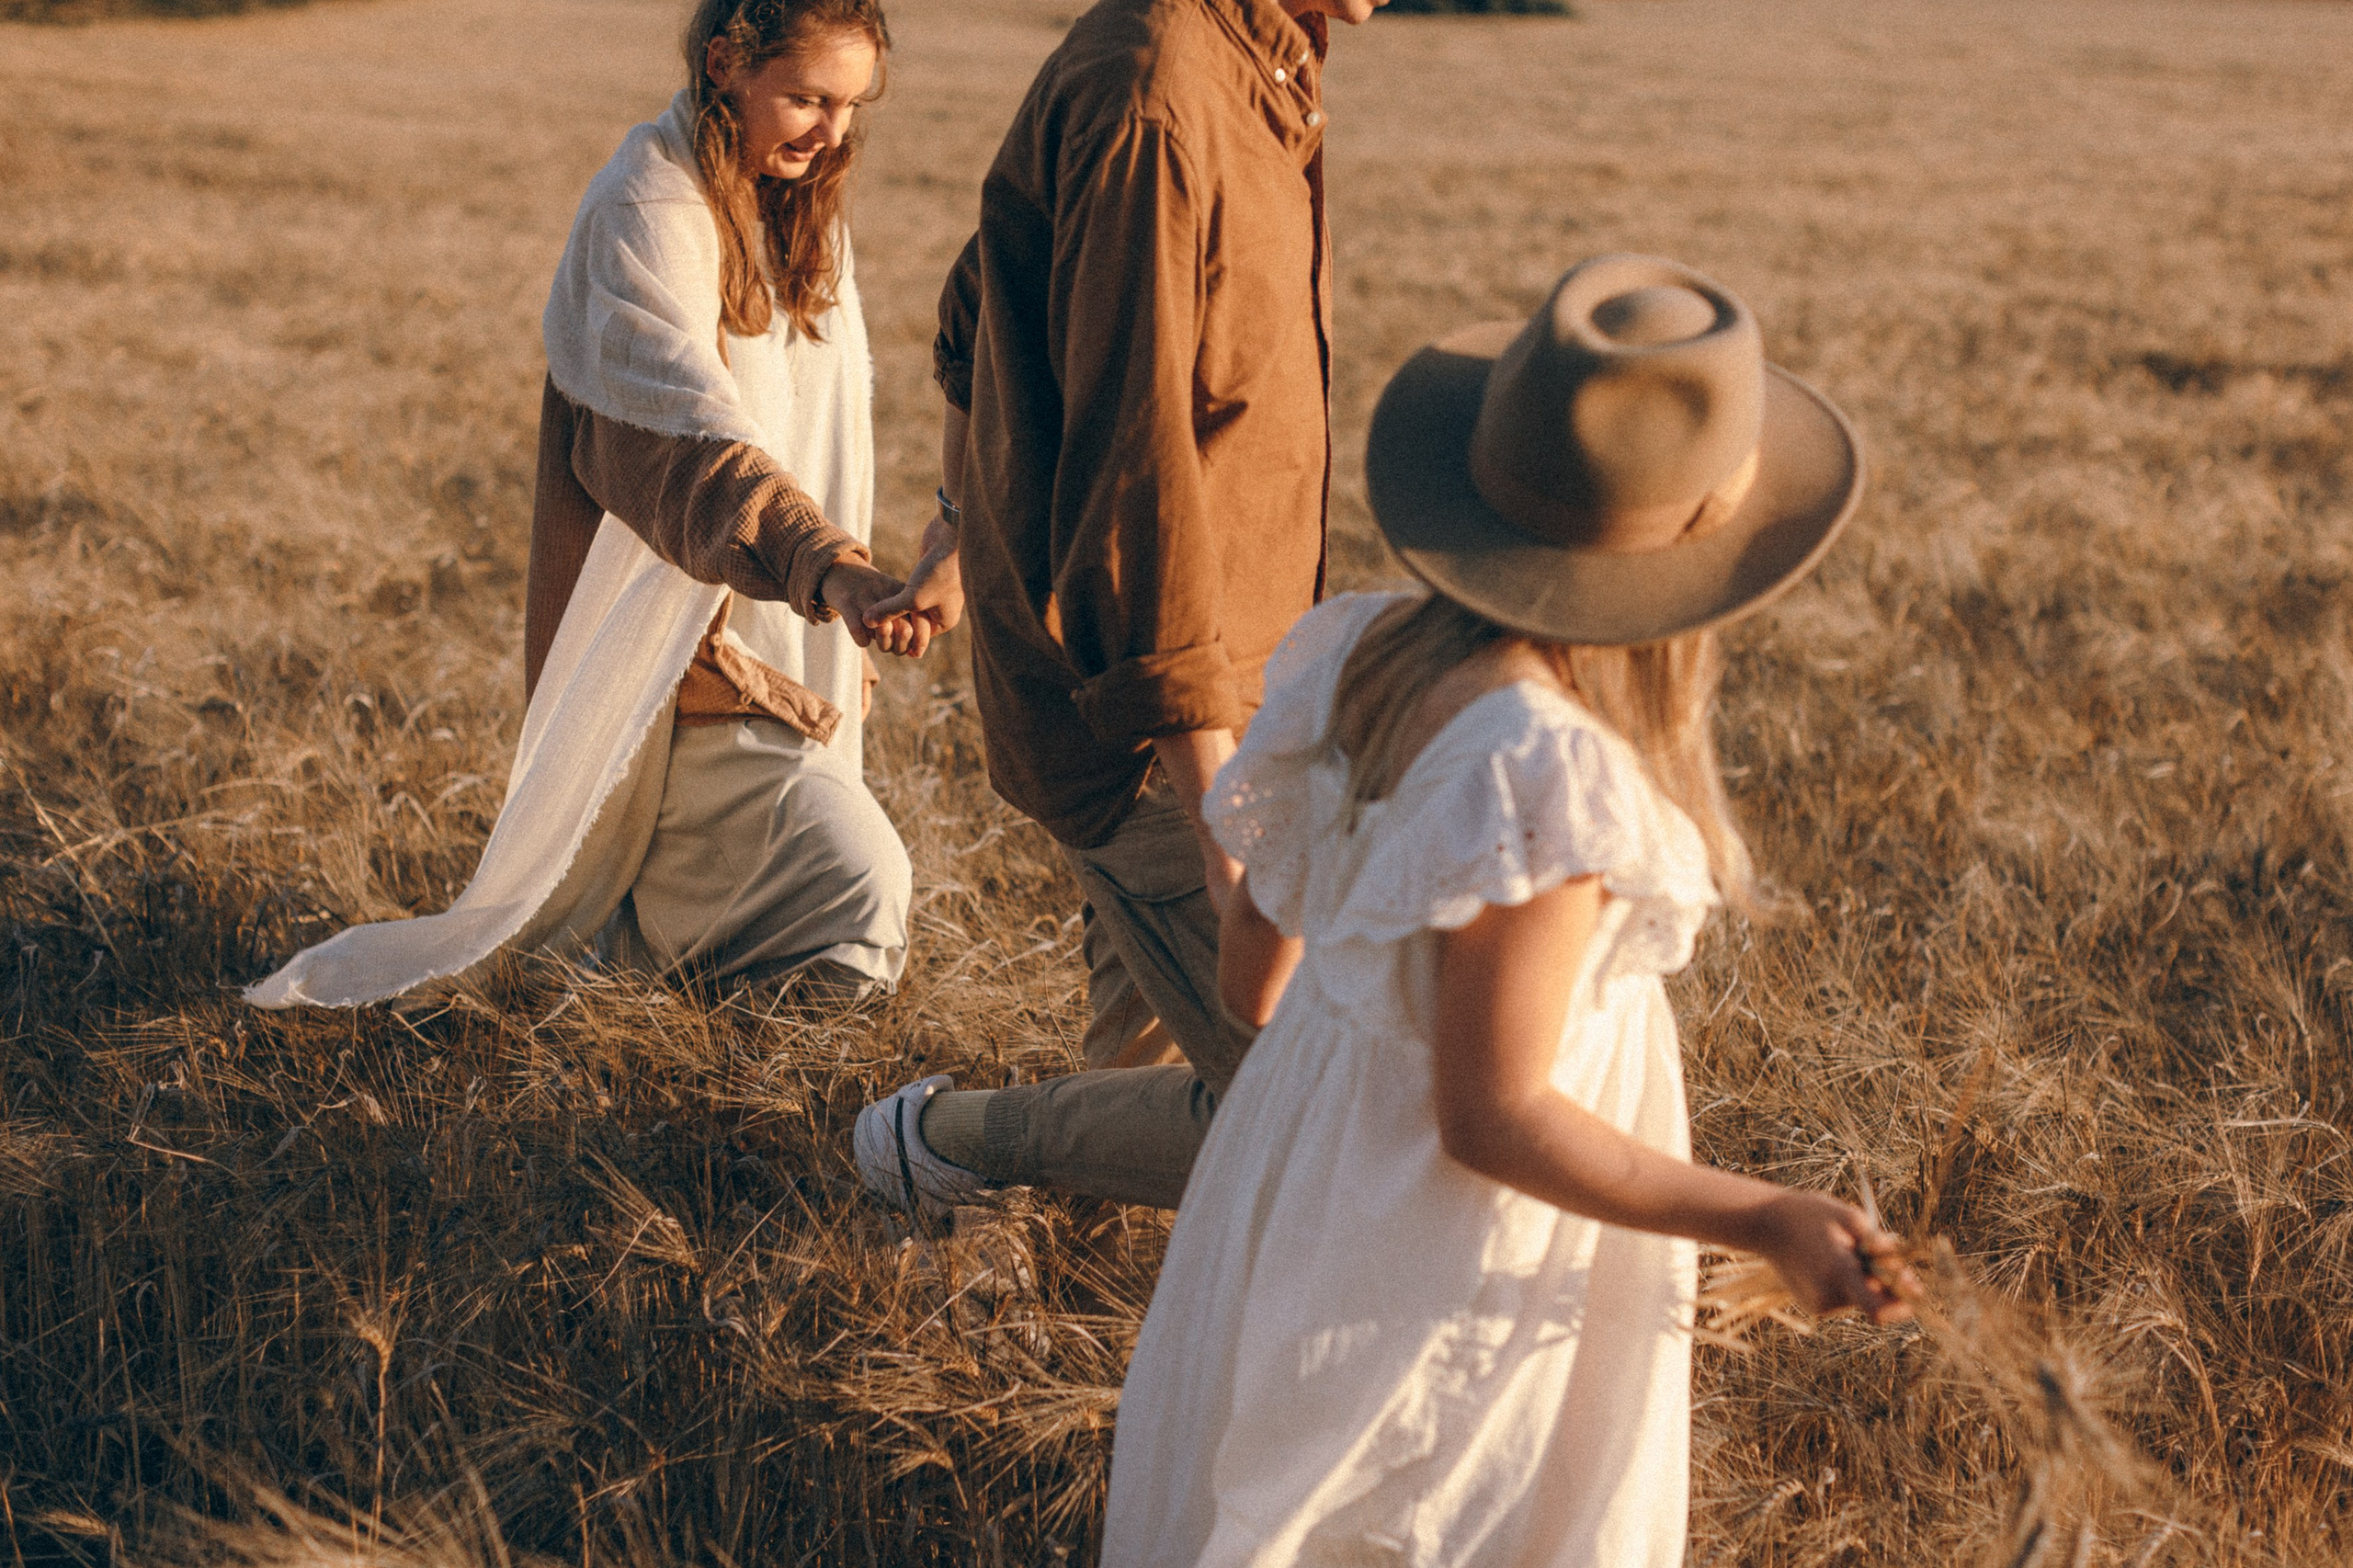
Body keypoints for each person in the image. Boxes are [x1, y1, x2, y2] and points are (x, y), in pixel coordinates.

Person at [1099, 255, 1913, 1563]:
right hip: (1442, 1248)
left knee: (1277, 1497)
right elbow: (1494, 1115)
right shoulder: (1548, 776)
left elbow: (1254, 981)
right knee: (1420, 1512)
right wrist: (1760, 1214)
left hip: (1306, 1171)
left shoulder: (1356, 653)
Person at [246, 0, 915, 1011]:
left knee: (803, 906)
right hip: (678, 671)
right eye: (809, 98)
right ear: (728, 64)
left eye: (852, 106)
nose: (831, 134)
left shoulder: (801, 218)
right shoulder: (648, 210)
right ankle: (742, 1087)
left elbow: (821, 444)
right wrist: (824, 566)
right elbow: (682, 448)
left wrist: (837, 632)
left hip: (787, 640)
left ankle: (689, 1053)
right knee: (857, 884)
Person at [852, 0, 1392, 1214]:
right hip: (1154, 719)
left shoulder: (1262, 68)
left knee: (1153, 1048)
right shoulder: (1153, 97)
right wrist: (1220, 814)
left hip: (1239, 676)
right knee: (1323, 1116)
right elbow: (1134, 484)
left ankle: (1055, 1239)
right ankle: (948, 1144)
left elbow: (990, 294)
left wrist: (954, 517)